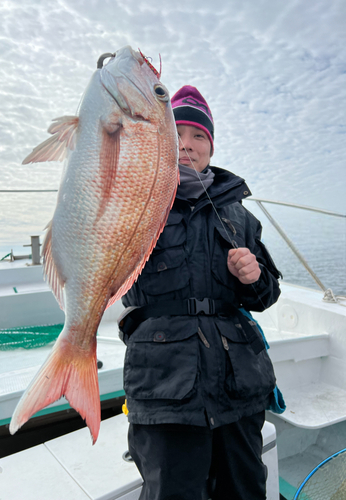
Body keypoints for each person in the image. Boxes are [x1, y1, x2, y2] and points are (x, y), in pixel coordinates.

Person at [119, 85, 282, 500]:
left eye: (199, 137)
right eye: (177, 134)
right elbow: (116, 281)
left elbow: (266, 296)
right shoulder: (137, 201)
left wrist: (254, 276)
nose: (187, 145)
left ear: (211, 146)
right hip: (164, 387)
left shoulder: (239, 214)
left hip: (237, 388)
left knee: (244, 491)